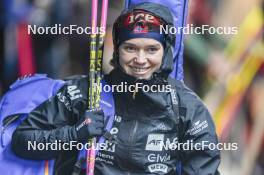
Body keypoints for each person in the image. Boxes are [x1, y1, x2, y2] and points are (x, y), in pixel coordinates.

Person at [11, 2, 220, 175]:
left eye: (151, 49)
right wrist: (74, 135)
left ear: (165, 52)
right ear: (117, 50)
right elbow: (22, 141)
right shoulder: (86, 92)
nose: (140, 59)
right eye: (130, 48)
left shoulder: (188, 108)